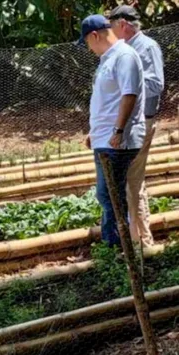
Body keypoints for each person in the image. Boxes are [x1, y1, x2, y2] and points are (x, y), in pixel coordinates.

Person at [79, 15, 146, 247]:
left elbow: (129, 95)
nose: (88, 48)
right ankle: (115, 247)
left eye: (87, 42)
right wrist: (94, 131)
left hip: (117, 141)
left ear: (95, 35)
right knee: (109, 196)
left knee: (110, 197)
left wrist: (117, 130)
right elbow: (108, 100)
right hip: (105, 138)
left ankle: (117, 248)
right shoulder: (108, 59)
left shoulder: (124, 56)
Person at [109, 5, 165, 248]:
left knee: (132, 182)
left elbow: (156, 84)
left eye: (112, 26)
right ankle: (135, 239)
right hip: (129, 123)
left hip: (141, 123)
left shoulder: (147, 47)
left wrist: (129, 87)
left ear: (123, 24)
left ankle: (142, 243)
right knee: (128, 181)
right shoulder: (125, 50)